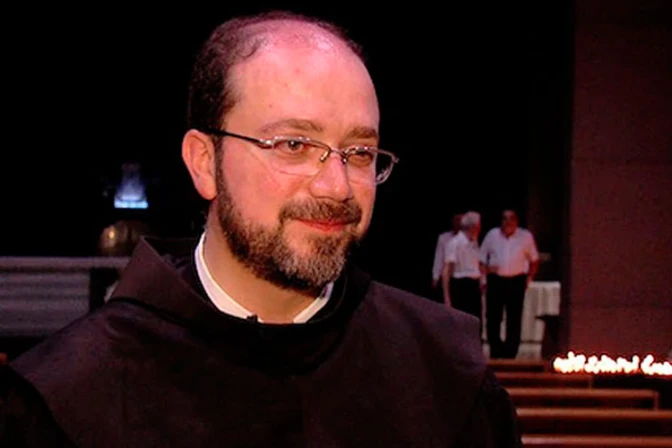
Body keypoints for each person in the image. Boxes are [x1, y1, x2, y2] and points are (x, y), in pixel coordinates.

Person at [0, 11, 522, 447]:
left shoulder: (445, 376)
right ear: (204, 163)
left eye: (360, 152)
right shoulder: (64, 399)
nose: (337, 187)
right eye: (294, 145)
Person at [480, 209, 539, 359]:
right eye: (504, 218)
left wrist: (529, 279)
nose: (507, 222)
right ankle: (496, 351)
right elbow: (481, 259)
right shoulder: (492, 235)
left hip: (516, 281)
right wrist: (485, 274)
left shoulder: (525, 236)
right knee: (493, 317)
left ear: (516, 221)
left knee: (514, 318)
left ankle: (510, 353)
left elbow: (534, 260)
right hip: (496, 281)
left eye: (511, 218)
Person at [442, 212, 484, 332]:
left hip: (473, 285)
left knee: (476, 321)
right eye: (478, 226)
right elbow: (447, 270)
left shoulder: (474, 242)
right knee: (461, 322)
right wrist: (447, 297)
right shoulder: (454, 243)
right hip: (461, 285)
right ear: (474, 227)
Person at [430, 213, 463, 302]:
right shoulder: (444, 238)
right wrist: (435, 276)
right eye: (457, 221)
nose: (458, 223)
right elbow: (439, 257)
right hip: (448, 274)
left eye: (461, 221)